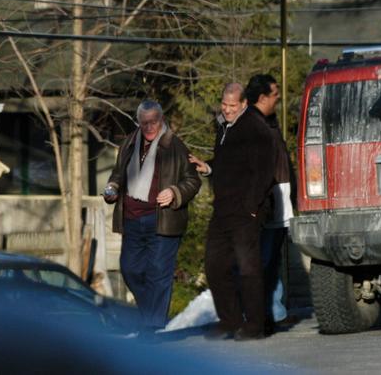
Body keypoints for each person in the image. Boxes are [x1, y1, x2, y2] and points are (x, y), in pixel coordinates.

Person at [103, 100, 201, 335]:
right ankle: (152, 314)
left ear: (161, 120)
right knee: (130, 269)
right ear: (138, 121)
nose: (148, 127)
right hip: (131, 219)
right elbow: (119, 173)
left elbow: (193, 180)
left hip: (162, 219)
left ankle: (151, 328)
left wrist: (175, 192)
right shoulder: (129, 143)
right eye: (144, 122)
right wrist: (113, 187)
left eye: (153, 122)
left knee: (158, 271)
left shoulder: (175, 146)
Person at [189, 83, 276, 341]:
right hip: (223, 208)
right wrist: (208, 167)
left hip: (246, 210)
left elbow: (264, 170)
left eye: (232, 106)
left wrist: (252, 206)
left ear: (244, 104)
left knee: (248, 268)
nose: (227, 110)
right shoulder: (224, 127)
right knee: (214, 265)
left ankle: (255, 325)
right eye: (224, 105)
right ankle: (230, 320)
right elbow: (228, 163)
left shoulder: (255, 128)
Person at [245, 74, 295, 335]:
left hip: (278, 199)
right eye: (274, 94)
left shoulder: (269, 122)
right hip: (263, 203)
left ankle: (274, 311)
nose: (278, 98)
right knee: (262, 260)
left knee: (272, 259)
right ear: (262, 97)